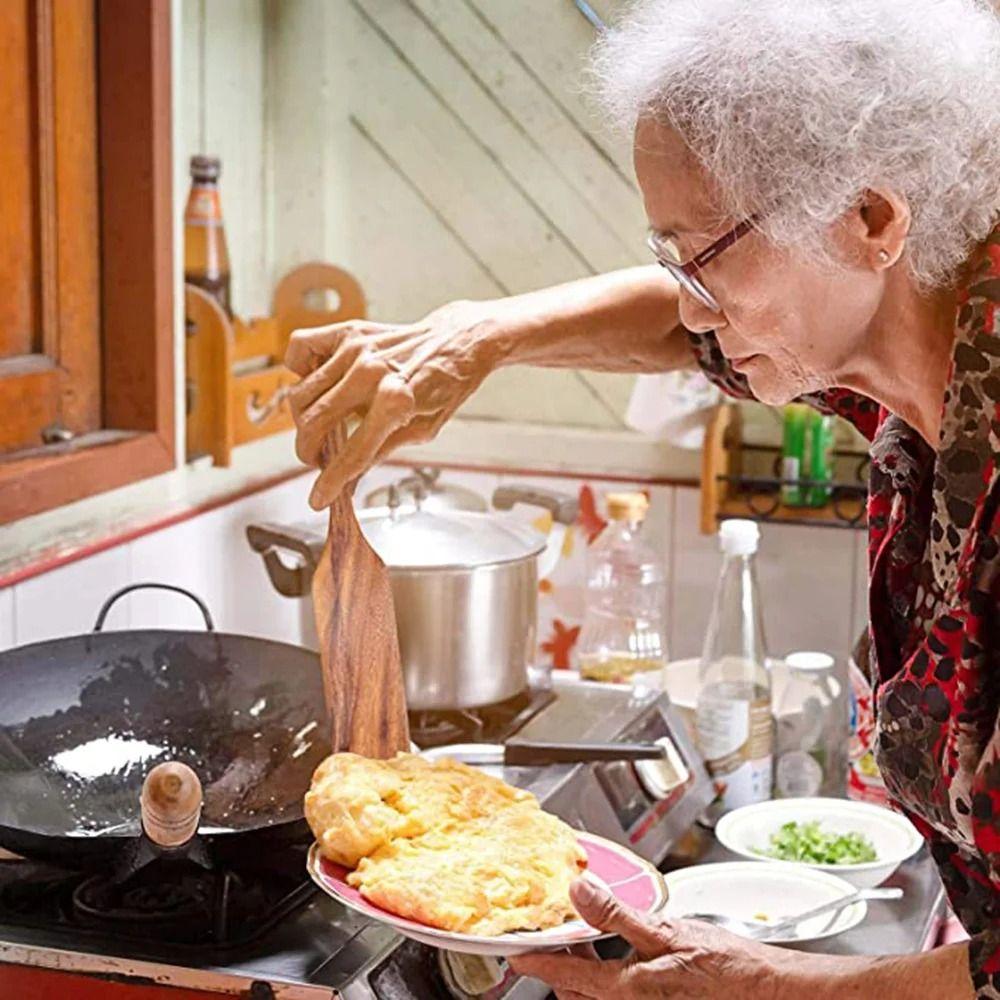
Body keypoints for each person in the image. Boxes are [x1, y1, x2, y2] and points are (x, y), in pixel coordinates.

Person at [286, 0, 1000, 995]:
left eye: (701, 255)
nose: (689, 303)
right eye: (673, 259)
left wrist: (769, 986)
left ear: (870, 218)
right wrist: (480, 335)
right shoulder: (911, 335)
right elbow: (686, 330)